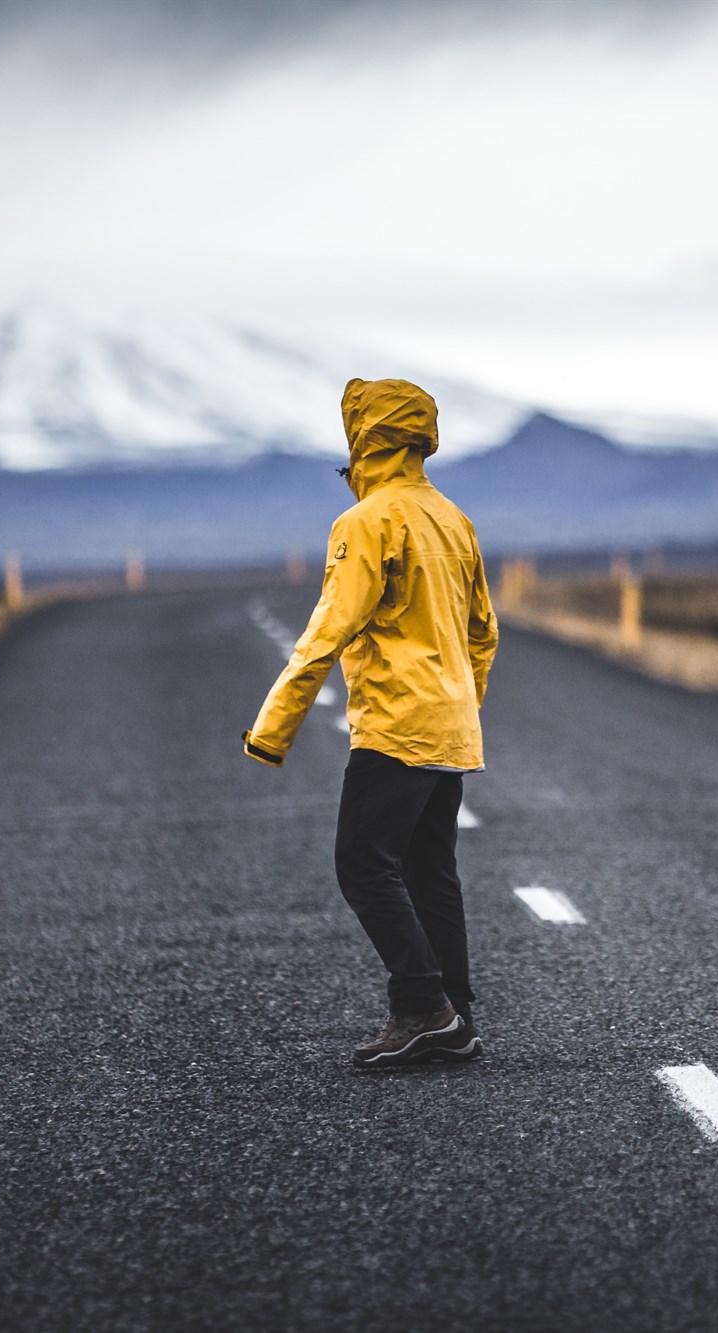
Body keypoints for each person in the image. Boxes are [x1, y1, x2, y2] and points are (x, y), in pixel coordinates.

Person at [242, 377, 499, 1068]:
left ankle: (424, 1006)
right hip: (450, 724)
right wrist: (461, 705)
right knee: (428, 868)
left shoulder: (366, 522)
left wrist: (274, 727)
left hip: (397, 723)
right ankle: (455, 1018)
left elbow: (329, 628)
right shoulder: (453, 516)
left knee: (362, 862)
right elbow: (484, 632)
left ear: (363, 436)